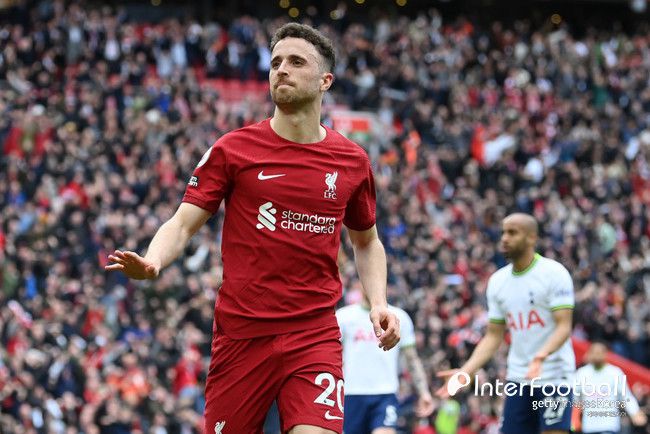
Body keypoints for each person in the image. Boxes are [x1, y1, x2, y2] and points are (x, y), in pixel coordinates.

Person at [105, 23, 400, 434]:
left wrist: (379, 302)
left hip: (313, 335)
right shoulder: (233, 149)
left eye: (296, 62)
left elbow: (366, 242)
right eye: (276, 62)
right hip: (242, 336)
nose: (282, 69)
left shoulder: (351, 161)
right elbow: (183, 222)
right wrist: (154, 260)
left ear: (325, 81)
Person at [436, 213, 576, 434]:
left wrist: (540, 356)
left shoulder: (554, 274)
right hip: (518, 378)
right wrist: (466, 372)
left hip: (554, 376)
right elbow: (493, 336)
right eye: (503, 232)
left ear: (531, 238)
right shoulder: (497, 282)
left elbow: (563, 327)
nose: (504, 238)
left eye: (512, 232)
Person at [336, 293, 434, 434]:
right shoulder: (344, 316)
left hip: (386, 393)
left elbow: (412, 359)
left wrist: (424, 392)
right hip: (351, 393)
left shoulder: (399, 317)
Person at [573, 341, 647, 434]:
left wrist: (635, 413)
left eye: (599, 352)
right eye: (594, 352)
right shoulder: (581, 373)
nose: (597, 355)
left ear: (606, 354)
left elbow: (626, 396)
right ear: (589, 354)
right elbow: (575, 398)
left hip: (609, 425)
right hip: (589, 426)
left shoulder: (615, 373)